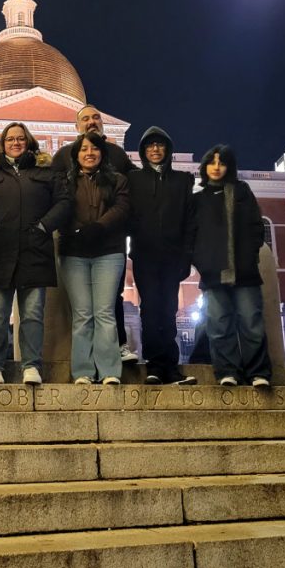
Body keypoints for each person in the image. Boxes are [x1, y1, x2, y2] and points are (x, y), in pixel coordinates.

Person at [0, 122, 70, 384]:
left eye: (21, 138)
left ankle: (31, 365)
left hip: (34, 252)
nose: (16, 143)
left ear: (29, 142)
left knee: (32, 315)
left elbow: (64, 202)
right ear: (2, 144)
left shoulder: (46, 172)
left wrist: (43, 226)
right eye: (10, 139)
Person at [52, 104, 137, 362]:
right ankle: (84, 360)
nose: (92, 122)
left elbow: (132, 194)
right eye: (86, 119)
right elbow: (55, 195)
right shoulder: (63, 156)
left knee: (112, 298)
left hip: (110, 242)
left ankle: (118, 346)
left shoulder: (118, 155)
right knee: (81, 308)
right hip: (74, 243)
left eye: (96, 117)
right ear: (77, 126)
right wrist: (75, 228)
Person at [187, 144, 272, 387]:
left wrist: (249, 253)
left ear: (229, 167)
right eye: (212, 162)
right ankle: (227, 372)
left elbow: (257, 226)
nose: (216, 167)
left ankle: (258, 373)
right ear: (204, 167)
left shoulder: (242, 192)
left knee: (251, 322)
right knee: (218, 324)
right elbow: (191, 235)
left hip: (245, 272)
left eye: (221, 162)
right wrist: (201, 262)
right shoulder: (198, 199)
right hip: (213, 273)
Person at [126, 127, 197, 385]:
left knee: (168, 312)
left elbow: (190, 222)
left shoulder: (182, 181)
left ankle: (172, 368)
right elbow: (128, 216)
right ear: (144, 152)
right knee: (149, 311)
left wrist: (186, 257)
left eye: (160, 145)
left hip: (172, 258)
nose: (155, 149)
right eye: (150, 146)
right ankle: (154, 367)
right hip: (145, 257)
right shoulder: (133, 180)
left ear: (167, 149)